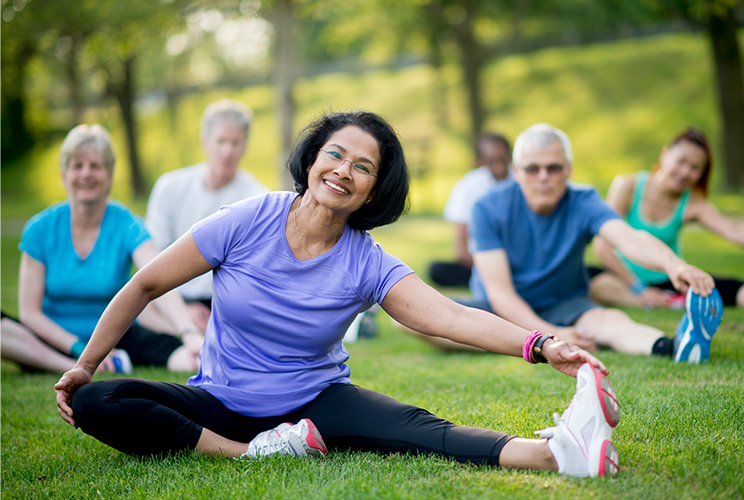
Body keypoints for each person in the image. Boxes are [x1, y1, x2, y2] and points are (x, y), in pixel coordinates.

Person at [56, 111, 622, 478]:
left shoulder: (366, 260)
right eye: (334, 154)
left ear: (375, 188)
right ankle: (253, 453)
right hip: (221, 403)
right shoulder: (248, 219)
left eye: (363, 167)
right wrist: (84, 365)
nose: (343, 171)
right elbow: (147, 282)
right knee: (96, 401)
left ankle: (557, 453)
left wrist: (543, 345)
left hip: (315, 402)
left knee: (421, 432)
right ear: (311, 159)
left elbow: (447, 317)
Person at [446, 123, 723, 363]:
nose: (543, 177)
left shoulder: (583, 200)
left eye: (553, 168)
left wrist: (674, 265)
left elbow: (628, 238)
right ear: (516, 171)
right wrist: (549, 336)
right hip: (496, 311)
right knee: (417, 323)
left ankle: (674, 348)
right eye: (533, 169)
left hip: (565, 304)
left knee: (610, 321)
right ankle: (513, 340)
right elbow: (500, 293)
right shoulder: (486, 208)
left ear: (568, 169)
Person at [0, 125, 202, 374]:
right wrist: (79, 348)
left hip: (117, 335)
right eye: (77, 166)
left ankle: (93, 363)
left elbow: (159, 275)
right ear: (64, 174)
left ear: (109, 175)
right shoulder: (39, 229)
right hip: (54, 338)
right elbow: (30, 314)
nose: (86, 174)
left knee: (186, 355)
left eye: (95, 166)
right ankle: (75, 365)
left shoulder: (128, 225)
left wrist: (188, 332)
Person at [589, 127, 744, 313]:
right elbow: (602, 247)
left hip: (669, 277)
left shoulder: (692, 202)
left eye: (695, 168)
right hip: (620, 277)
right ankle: (654, 302)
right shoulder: (627, 186)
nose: (685, 172)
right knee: (594, 282)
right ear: (665, 154)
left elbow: (732, 230)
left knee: (719, 285)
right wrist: (639, 289)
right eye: (681, 161)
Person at [145, 100, 268, 332]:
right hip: (171, 297)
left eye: (235, 143)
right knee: (138, 306)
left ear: (245, 147)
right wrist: (181, 309)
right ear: (206, 142)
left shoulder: (256, 197)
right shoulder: (170, 186)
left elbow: (251, 272)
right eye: (221, 141)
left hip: (223, 302)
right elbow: (154, 259)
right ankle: (189, 337)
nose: (227, 151)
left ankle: (191, 343)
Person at [428, 132, 513, 287]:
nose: (499, 165)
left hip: (517, 258)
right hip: (481, 259)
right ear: (480, 161)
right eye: (492, 161)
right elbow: (461, 248)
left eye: (502, 159)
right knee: (436, 269)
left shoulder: (523, 181)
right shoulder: (468, 186)